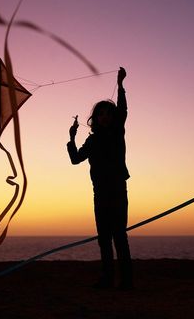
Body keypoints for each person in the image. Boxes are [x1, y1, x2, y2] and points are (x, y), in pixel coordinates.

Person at [67, 67, 133, 290]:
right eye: (101, 114)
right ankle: (106, 279)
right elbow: (76, 159)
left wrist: (121, 85)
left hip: (117, 190)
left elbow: (123, 110)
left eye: (108, 113)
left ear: (113, 118)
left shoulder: (117, 132)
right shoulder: (92, 142)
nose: (105, 117)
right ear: (95, 118)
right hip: (100, 194)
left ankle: (125, 282)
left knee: (119, 238)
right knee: (104, 239)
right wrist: (71, 138)